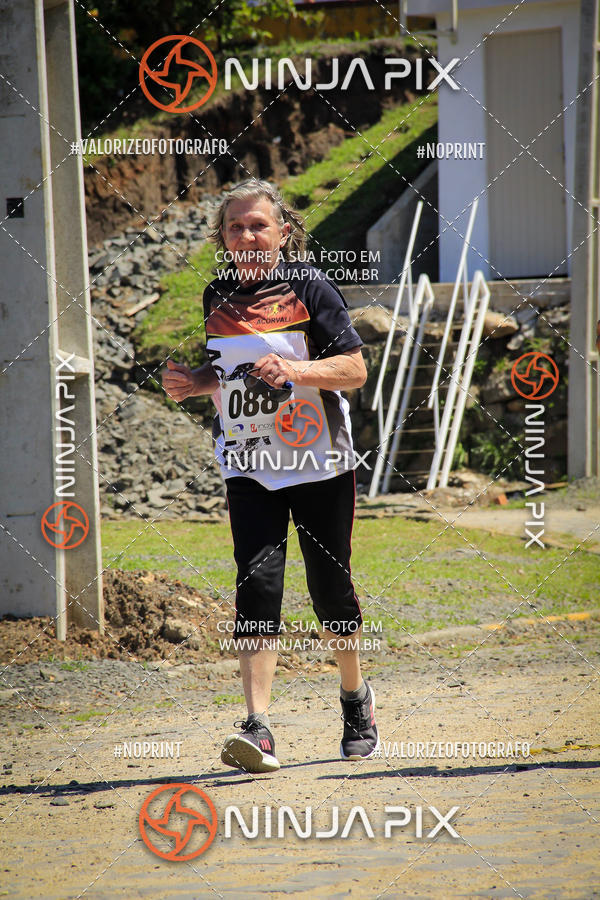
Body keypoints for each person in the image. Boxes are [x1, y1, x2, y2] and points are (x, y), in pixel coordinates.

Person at [162, 178, 379, 773]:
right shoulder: (217, 295)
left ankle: (355, 699)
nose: (247, 235)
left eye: (258, 224)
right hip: (250, 464)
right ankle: (257, 727)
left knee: (330, 591)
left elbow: (355, 369)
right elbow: (227, 373)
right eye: (236, 226)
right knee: (256, 588)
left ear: (283, 231)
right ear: (223, 237)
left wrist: (294, 367)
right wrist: (193, 383)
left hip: (318, 463)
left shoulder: (311, 287)